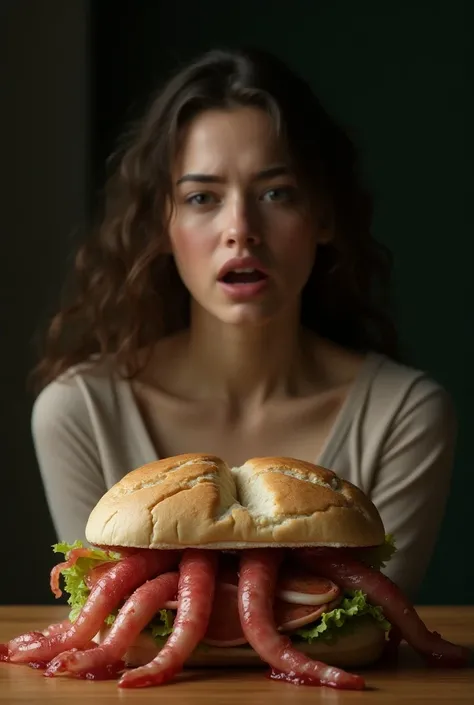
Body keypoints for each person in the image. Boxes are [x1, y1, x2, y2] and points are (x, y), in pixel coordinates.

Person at [30, 47, 456, 600]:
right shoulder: (78, 411)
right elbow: (103, 612)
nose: (241, 229)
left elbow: (372, 624)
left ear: (323, 216)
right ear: (162, 223)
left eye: (276, 193)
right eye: (202, 197)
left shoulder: (405, 417)